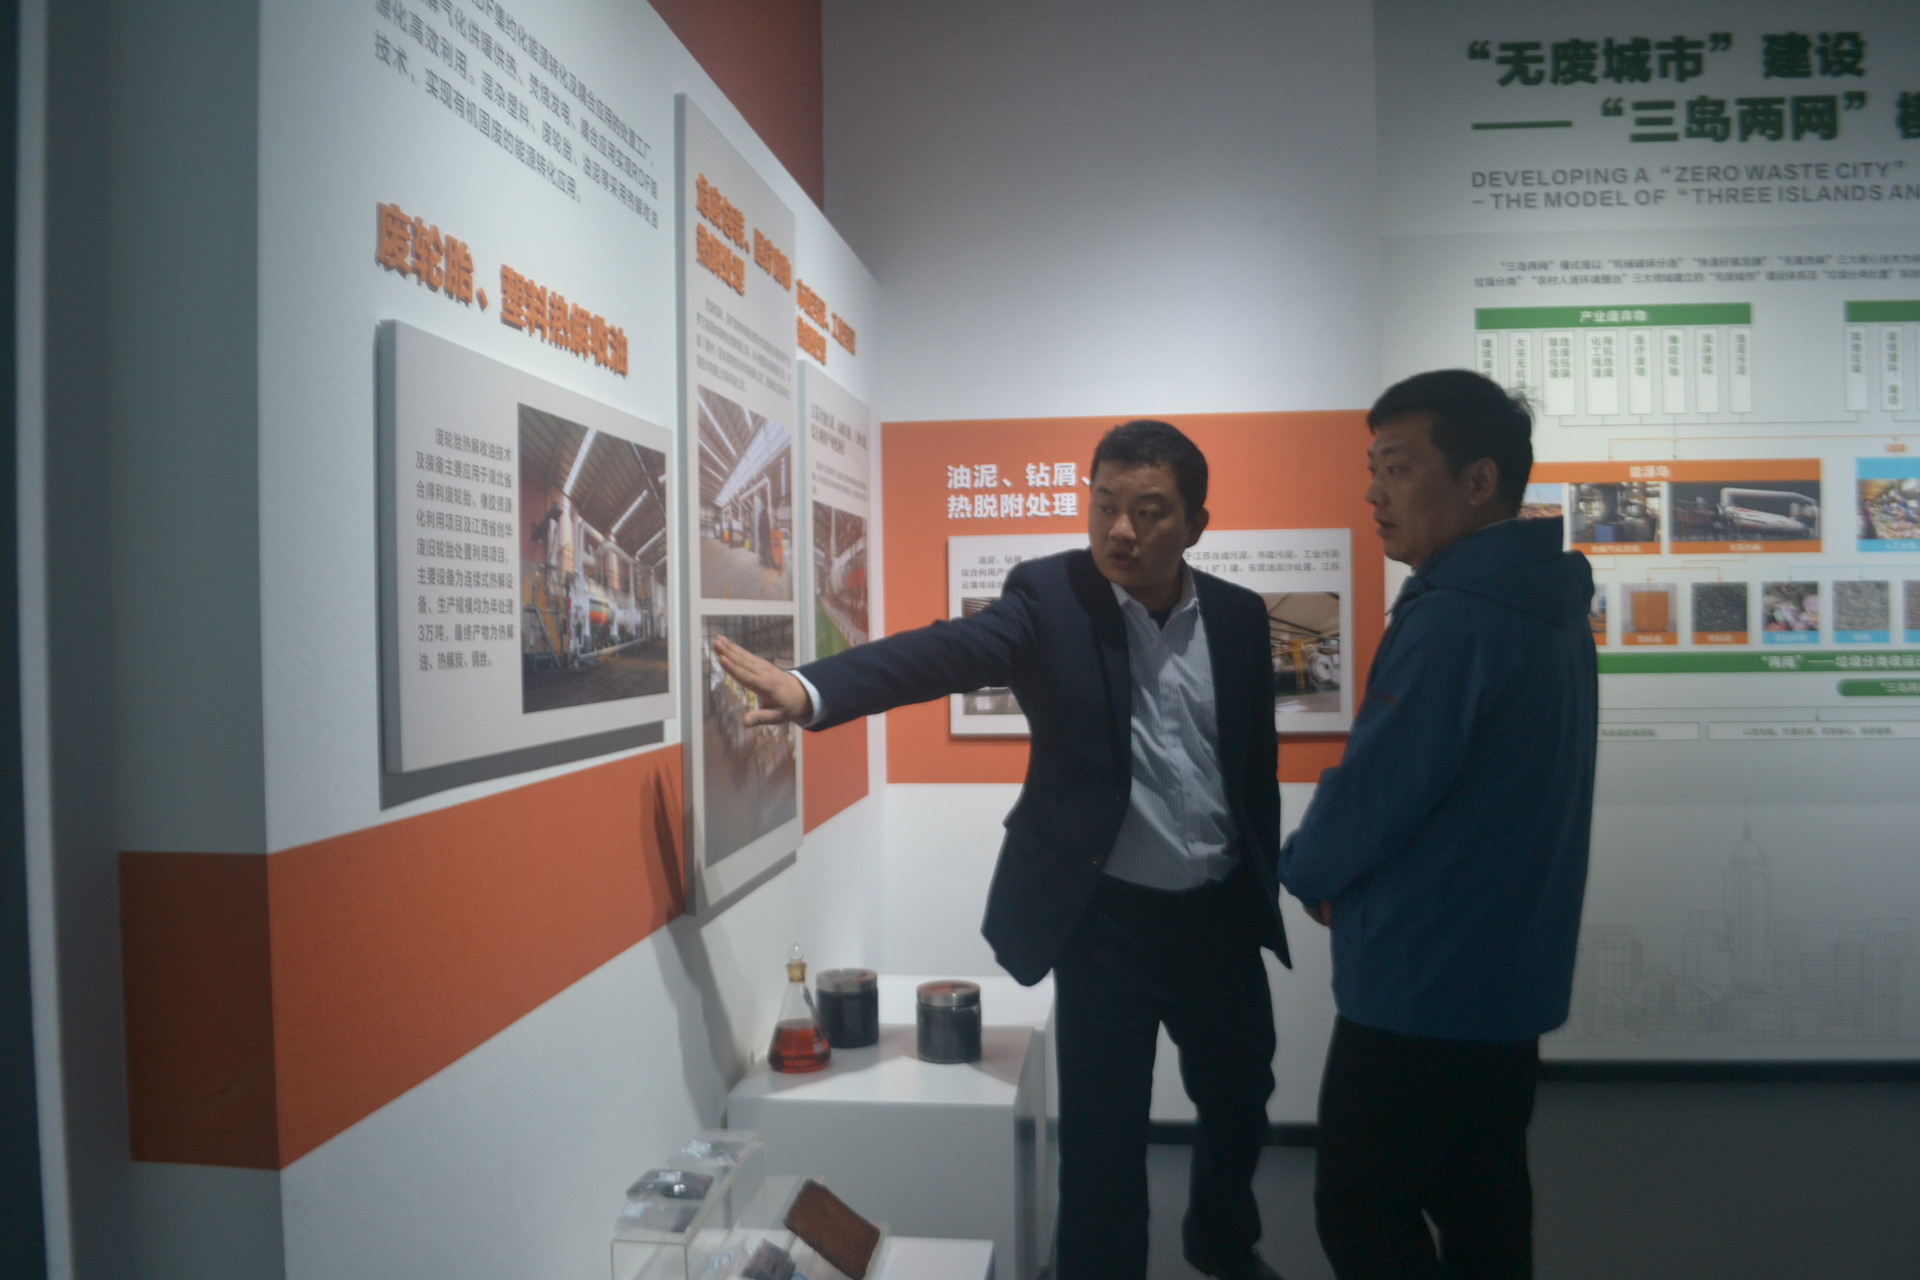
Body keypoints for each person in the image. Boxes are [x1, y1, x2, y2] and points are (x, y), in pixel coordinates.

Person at [714, 420, 1290, 1280]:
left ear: (1196, 524)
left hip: (1218, 921)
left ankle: (1221, 1241)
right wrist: (812, 688)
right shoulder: (1051, 598)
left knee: (1241, 1102)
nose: (1120, 530)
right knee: (1102, 1148)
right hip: (1108, 928)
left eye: (1148, 512)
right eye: (1104, 505)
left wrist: (1261, 880)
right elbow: (944, 653)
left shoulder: (1238, 618)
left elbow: (1252, 771)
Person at [1279, 369, 1598, 1279]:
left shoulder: (1456, 618)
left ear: (1478, 480)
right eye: (1373, 469)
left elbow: (1378, 789)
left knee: (1361, 1212)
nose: (1374, 494)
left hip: (1424, 980)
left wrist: (1306, 870)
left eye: (1398, 467)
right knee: (1485, 1207)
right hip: (1506, 975)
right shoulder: (1546, 603)